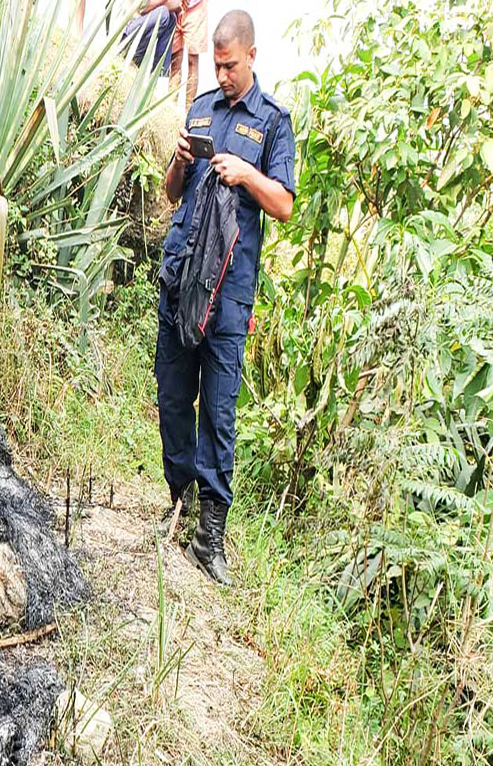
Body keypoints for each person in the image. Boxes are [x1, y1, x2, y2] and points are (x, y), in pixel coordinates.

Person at [155, 10, 296, 585]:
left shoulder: (273, 124)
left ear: (252, 56)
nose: (222, 73)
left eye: (230, 64)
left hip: (229, 293)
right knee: (171, 395)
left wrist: (245, 173)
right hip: (182, 276)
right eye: (216, 64)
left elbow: (283, 203)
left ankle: (210, 537)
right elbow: (172, 195)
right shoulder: (201, 107)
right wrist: (180, 161)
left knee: (217, 409)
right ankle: (180, 499)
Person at [120, 1, 183, 74]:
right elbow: (141, 9)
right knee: (163, 13)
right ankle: (132, 54)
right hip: (126, 33)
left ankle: (160, 74)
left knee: (172, 17)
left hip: (141, 27)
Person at [171, 1, 208, 110]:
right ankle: (171, 104)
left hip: (196, 9)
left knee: (192, 61)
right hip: (175, 7)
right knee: (175, 60)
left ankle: (188, 110)